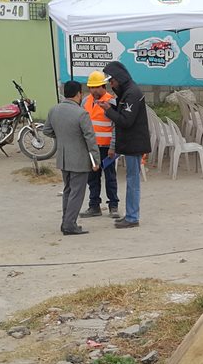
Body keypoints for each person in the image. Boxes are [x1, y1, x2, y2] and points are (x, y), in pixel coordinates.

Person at [43, 79, 100, 236]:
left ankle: (65, 221)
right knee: (77, 192)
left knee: (68, 190)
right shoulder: (81, 114)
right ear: (79, 94)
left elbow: (47, 130)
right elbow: (90, 138)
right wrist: (95, 160)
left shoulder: (54, 110)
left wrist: (61, 137)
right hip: (80, 159)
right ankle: (70, 224)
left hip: (63, 157)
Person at [100, 61, 150, 229]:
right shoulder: (127, 92)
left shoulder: (132, 93)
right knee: (131, 179)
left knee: (133, 181)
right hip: (131, 142)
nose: (111, 85)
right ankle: (130, 215)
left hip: (134, 143)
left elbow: (126, 120)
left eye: (112, 81)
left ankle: (132, 216)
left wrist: (108, 110)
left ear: (119, 78)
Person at [81, 71, 118, 218]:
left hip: (107, 148)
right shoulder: (85, 101)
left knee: (110, 178)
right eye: (91, 87)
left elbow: (116, 126)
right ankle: (94, 206)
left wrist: (113, 147)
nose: (94, 90)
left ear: (104, 86)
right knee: (92, 179)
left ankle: (113, 206)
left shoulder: (112, 101)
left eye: (96, 87)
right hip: (92, 148)